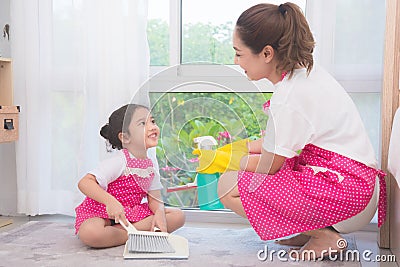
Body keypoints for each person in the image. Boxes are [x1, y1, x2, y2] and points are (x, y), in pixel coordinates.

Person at [217, 2, 386, 259]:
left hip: (345, 188)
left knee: (227, 186)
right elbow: (276, 142)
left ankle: (323, 235)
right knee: (255, 173)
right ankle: (307, 230)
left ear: (266, 54)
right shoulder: (302, 75)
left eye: (239, 53)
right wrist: (241, 148)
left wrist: (231, 160)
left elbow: (271, 164)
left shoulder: (289, 96)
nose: (236, 60)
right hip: (351, 179)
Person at [75, 104, 185, 248]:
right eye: (142, 123)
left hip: (130, 214)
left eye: (152, 121)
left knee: (178, 216)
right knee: (90, 232)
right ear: (125, 137)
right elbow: (85, 182)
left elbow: (154, 199)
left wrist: (159, 214)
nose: (152, 126)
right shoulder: (119, 161)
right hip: (103, 211)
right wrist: (111, 202)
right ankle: (135, 233)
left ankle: (126, 233)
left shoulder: (151, 167)